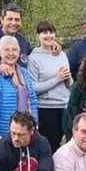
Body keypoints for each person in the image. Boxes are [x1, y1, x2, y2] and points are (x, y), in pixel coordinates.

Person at [0, 36, 38, 144]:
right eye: (6, 50)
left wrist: (34, 124)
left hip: (25, 129)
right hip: (4, 132)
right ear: (0, 52)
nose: (11, 53)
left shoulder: (24, 73)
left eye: (14, 49)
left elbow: (32, 99)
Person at [28, 21, 72, 153]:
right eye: (44, 32)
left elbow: (70, 85)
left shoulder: (62, 55)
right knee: (51, 147)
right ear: (38, 36)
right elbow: (33, 88)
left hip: (65, 107)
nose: (48, 35)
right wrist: (57, 79)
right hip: (46, 109)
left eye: (51, 32)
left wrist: (68, 79)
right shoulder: (33, 58)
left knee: (68, 146)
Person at [0, 4, 32, 73]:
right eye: (10, 19)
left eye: (17, 20)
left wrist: (49, 47)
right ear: (2, 20)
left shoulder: (23, 42)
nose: (13, 23)